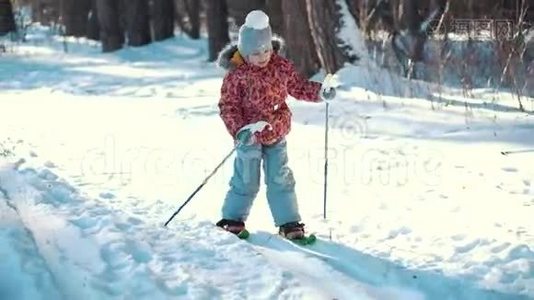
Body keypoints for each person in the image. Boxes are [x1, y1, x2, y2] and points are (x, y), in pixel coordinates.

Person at [215, 10, 335, 240]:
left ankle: (289, 222)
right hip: (249, 135)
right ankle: (232, 220)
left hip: (276, 130)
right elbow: (228, 106)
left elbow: (298, 86)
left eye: (267, 50)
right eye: (256, 53)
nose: (263, 56)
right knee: (246, 179)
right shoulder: (236, 75)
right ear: (244, 51)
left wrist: (320, 92)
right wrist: (238, 130)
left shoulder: (280, 66)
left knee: (280, 177)